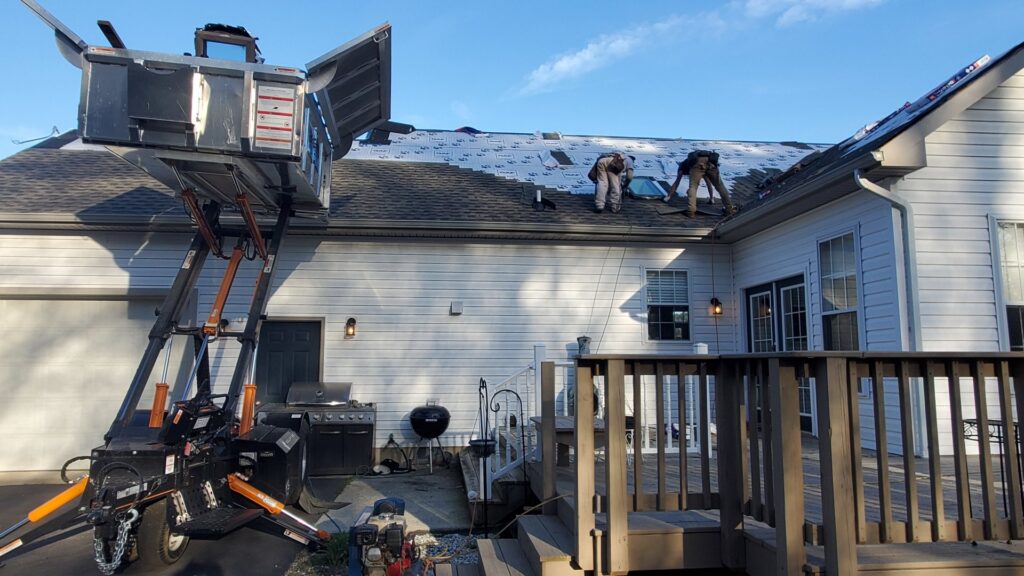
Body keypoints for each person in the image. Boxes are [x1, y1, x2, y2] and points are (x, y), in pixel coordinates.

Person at [664, 150, 737, 218]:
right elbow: (708, 183)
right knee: (720, 186)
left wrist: (669, 196)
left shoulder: (682, 166)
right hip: (711, 161)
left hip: (698, 162)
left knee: (693, 186)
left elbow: (677, 182)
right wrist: (711, 199)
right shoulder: (696, 168)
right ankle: (729, 209)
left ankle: (691, 211)